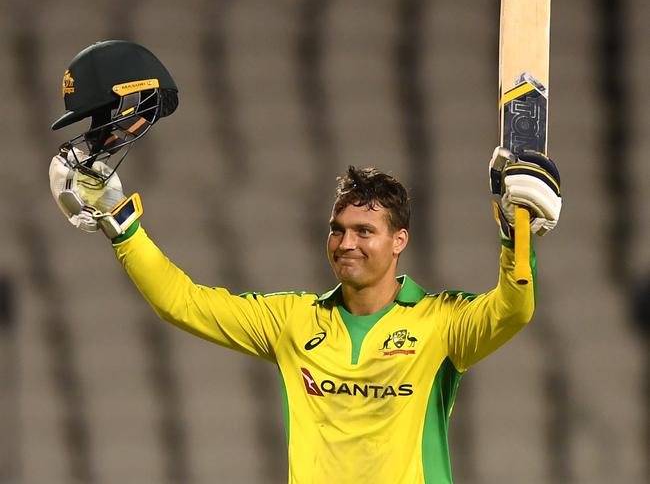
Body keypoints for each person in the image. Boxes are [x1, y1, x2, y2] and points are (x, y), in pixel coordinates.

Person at [49, 41, 562, 484]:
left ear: (399, 240)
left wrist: (517, 231)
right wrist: (122, 226)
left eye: (366, 232)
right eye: (338, 230)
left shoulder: (442, 324)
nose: (346, 244)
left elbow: (514, 309)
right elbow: (181, 303)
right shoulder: (292, 321)